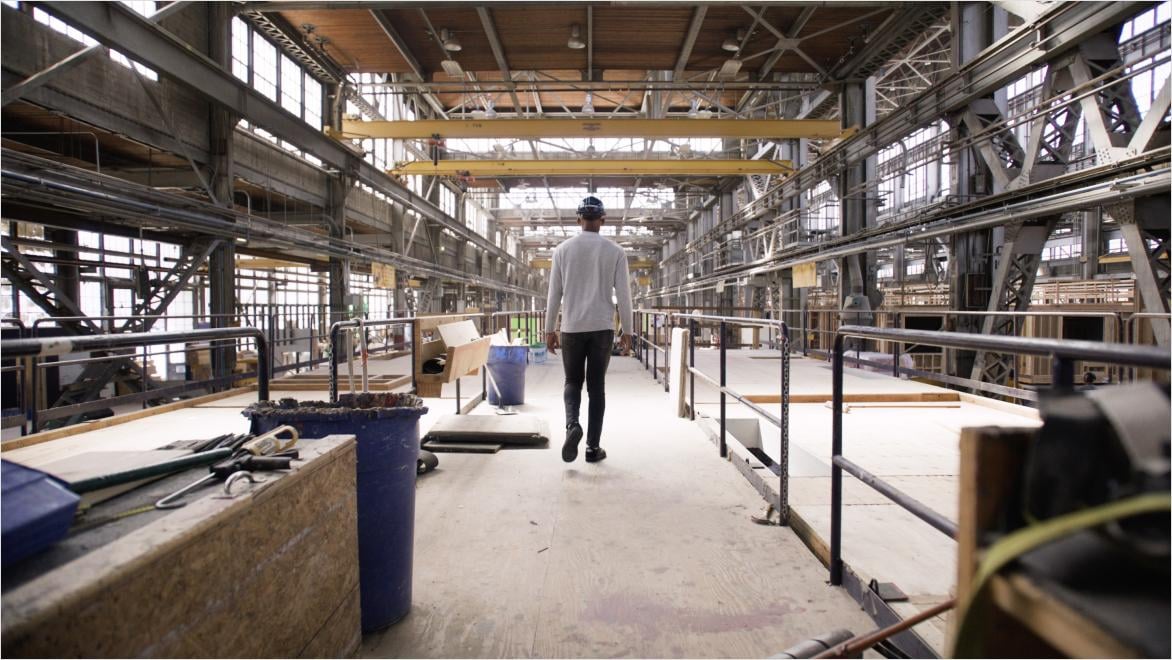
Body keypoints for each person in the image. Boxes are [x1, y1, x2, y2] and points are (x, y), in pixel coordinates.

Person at [545, 195, 633, 464]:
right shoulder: (615, 252)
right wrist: (627, 331)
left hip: (571, 326)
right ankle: (593, 448)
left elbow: (554, 294)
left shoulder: (562, 250)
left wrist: (549, 329)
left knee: (572, 382)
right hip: (602, 328)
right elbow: (625, 296)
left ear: (578, 219)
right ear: (603, 220)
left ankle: (573, 426)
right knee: (597, 388)